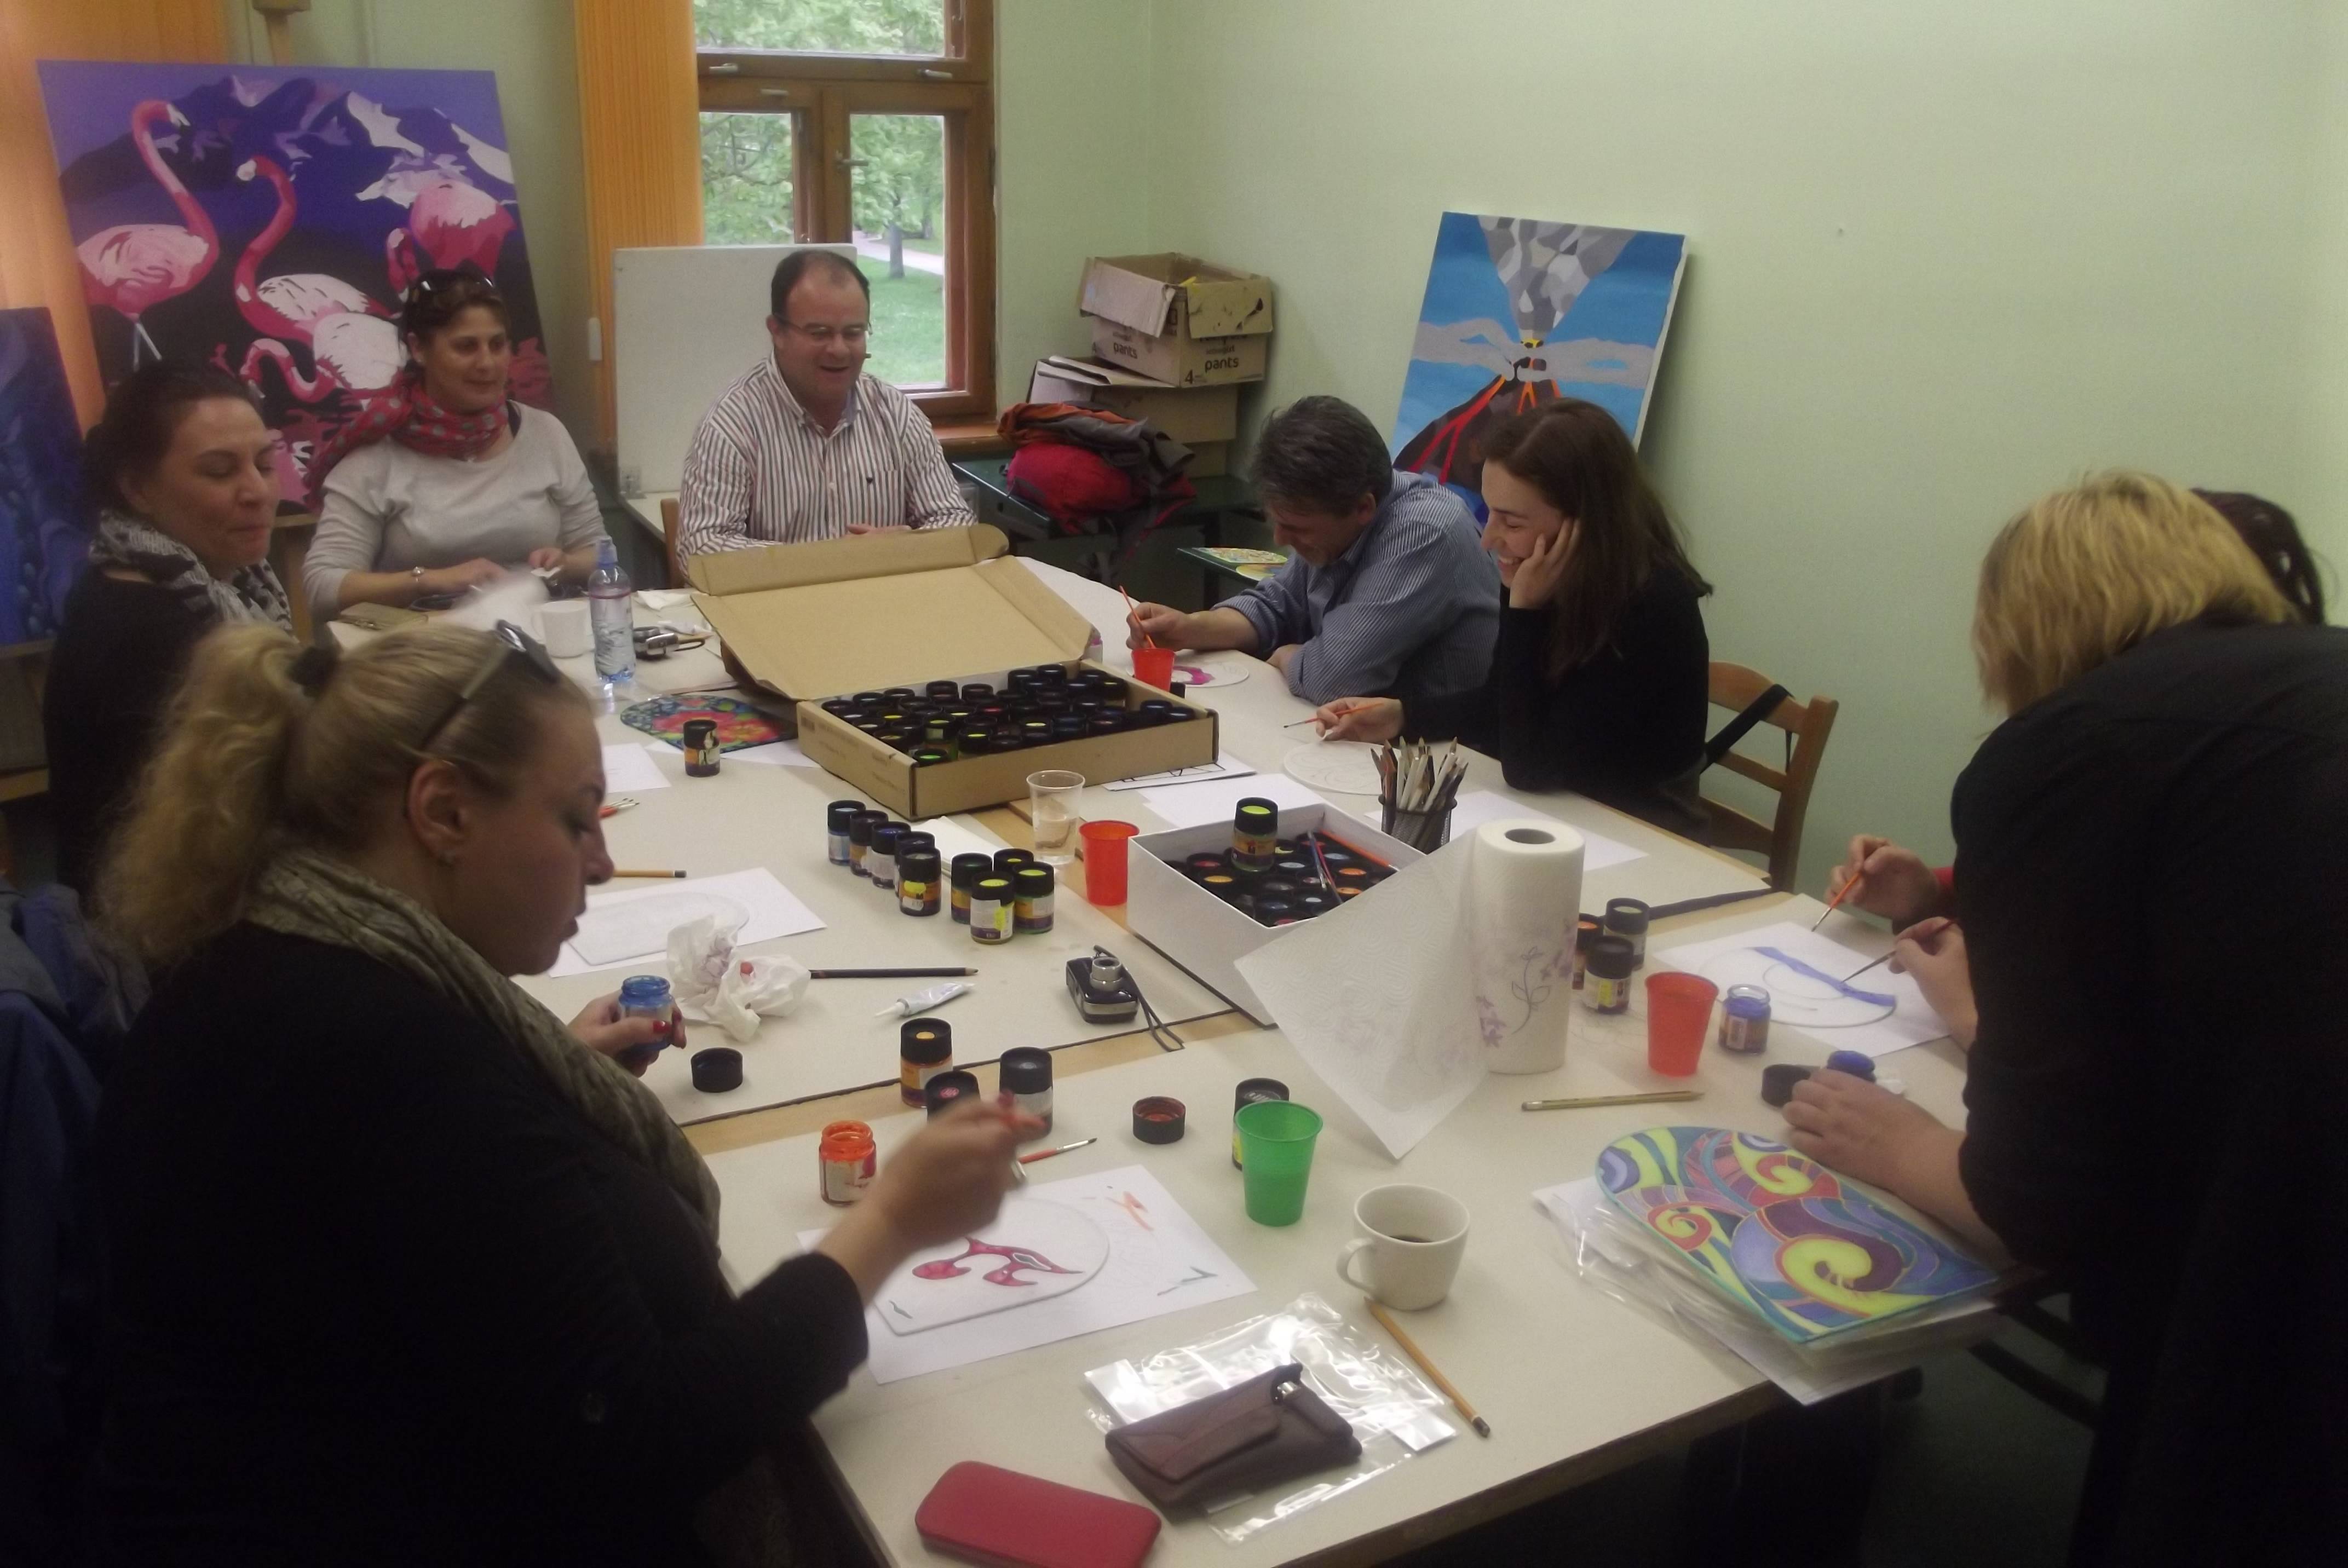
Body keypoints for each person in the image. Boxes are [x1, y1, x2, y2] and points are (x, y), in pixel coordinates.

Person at [86, 620, 1036, 1565]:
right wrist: (890, 1223)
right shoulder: (387, 1060)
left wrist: (545, 1072)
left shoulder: (283, 957)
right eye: (576, 820)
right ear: (444, 812)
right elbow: (640, 1436)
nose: (602, 861)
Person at [1783, 472, 2347, 1565]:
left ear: (2023, 624)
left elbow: (2039, 1199)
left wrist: (1902, 1144)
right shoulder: (2301, 684)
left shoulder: (2074, 744)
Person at [1817, 485, 2330, 1044]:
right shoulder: (2252, 732)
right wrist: (1935, 895)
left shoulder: (2102, 752)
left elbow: (2137, 1060)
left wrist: (1973, 1023)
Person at [1309, 399, 1712, 835]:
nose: (1489, 540)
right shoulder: (1549, 573)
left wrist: (1524, 613)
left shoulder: (1651, 605)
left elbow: (1529, 766)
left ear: (1586, 526)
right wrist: (1401, 716)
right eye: (1490, 514)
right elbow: (1501, 706)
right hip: (1564, 813)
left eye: (1513, 524)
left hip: (1641, 833)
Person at [44, 364, 294, 894]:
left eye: (265, 464)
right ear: (138, 488)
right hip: (160, 917)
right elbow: (228, 831)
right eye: (220, 472)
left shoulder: (212, 581)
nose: (258, 491)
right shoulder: (150, 634)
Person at [1125, 395, 1497, 708]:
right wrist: (1192, 629)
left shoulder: (1424, 534)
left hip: (1438, 751)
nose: (1280, 537)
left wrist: (1289, 655)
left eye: (1297, 528)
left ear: (1363, 508)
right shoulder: (1335, 518)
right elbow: (1278, 604)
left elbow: (1332, 679)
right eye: (1276, 520)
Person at [306, 268, 611, 619]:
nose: (487, 363)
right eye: (466, 347)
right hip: (422, 643)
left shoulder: (545, 433)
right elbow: (323, 587)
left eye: (498, 345)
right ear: (419, 349)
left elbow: (599, 552)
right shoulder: (376, 453)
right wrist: (431, 580)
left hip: (538, 635)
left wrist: (567, 564)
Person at [676, 251, 973, 557]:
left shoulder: (895, 414)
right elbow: (701, 549)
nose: (839, 350)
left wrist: (904, 544)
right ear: (777, 332)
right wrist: (830, 558)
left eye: (853, 333)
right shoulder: (732, 426)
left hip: (883, 588)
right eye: (820, 334)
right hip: (786, 591)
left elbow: (957, 521)